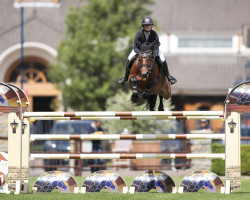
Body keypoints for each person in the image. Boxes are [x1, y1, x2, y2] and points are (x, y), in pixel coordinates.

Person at [118, 16, 177, 85]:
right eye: (146, 25)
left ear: (151, 26)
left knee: (163, 59)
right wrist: (138, 52)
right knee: (129, 58)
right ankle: (125, 77)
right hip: (140, 50)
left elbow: (156, 46)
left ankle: (169, 76)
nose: (148, 26)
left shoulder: (154, 34)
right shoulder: (139, 33)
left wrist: (155, 53)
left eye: (149, 25)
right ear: (143, 26)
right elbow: (135, 47)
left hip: (152, 51)